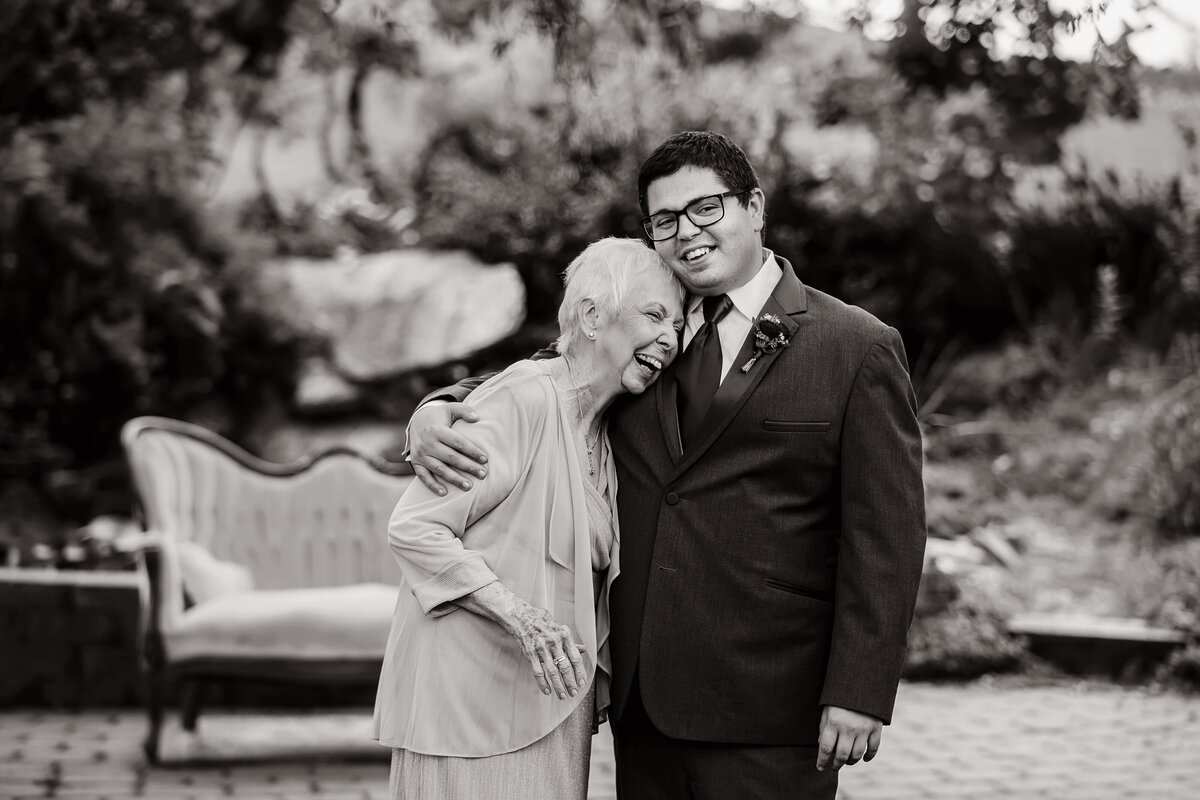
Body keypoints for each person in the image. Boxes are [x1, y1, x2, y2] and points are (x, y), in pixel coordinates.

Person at [407, 131, 927, 800]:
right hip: (644, 704)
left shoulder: (857, 347)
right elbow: (558, 371)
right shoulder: (647, 328)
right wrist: (436, 408)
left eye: (705, 208)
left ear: (755, 207)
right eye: (664, 221)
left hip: (772, 704)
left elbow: (886, 536)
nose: (687, 232)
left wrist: (860, 689)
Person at [372, 237, 684, 799]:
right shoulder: (523, 400)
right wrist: (520, 616)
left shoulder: (606, 433)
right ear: (592, 316)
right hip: (469, 706)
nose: (669, 337)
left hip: (551, 701)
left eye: (678, 326)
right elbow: (416, 526)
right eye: (655, 314)